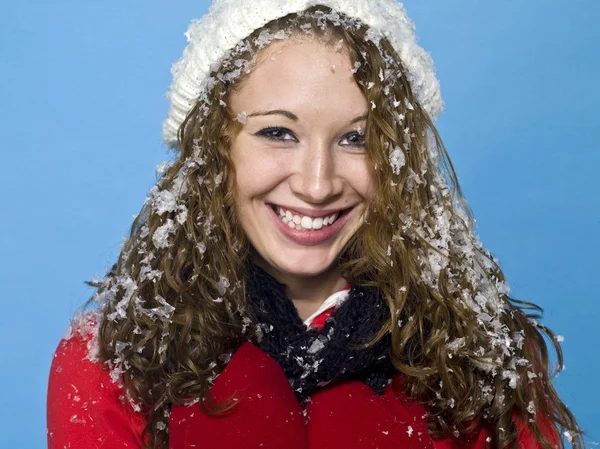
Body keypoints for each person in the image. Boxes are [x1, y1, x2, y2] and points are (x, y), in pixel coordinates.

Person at [46, 1, 583, 448]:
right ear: (215, 150)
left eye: (356, 138)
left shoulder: (480, 361)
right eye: (278, 133)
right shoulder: (112, 368)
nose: (318, 183)